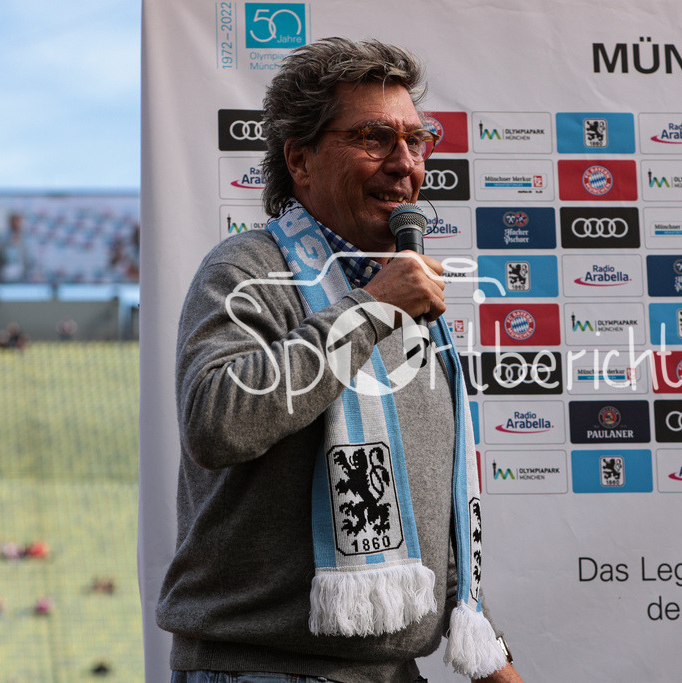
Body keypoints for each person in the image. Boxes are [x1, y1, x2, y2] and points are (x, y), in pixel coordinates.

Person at [156, 38, 524, 683]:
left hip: (390, 668)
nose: (405, 163)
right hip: (263, 668)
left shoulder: (403, 294)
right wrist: (371, 307)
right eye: (376, 138)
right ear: (300, 160)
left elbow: (424, 503)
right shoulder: (248, 272)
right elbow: (217, 421)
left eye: (417, 139)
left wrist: (491, 659)